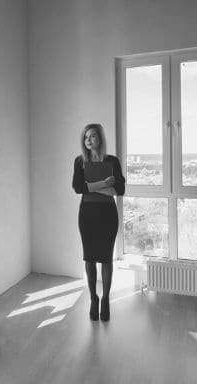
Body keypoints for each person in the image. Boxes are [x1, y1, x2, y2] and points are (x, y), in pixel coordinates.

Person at [72, 123, 125, 322]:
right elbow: (78, 188)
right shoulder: (80, 162)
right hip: (87, 214)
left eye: (93, 136)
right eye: (86, 137)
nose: (88, 140)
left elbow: (119, 190)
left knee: (106, 259)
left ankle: (105, 299)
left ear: (100, 139)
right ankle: (93, 298)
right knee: (90, 258)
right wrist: (104, 184)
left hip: (107, 215)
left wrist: (91, 187)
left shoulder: (112, 161)